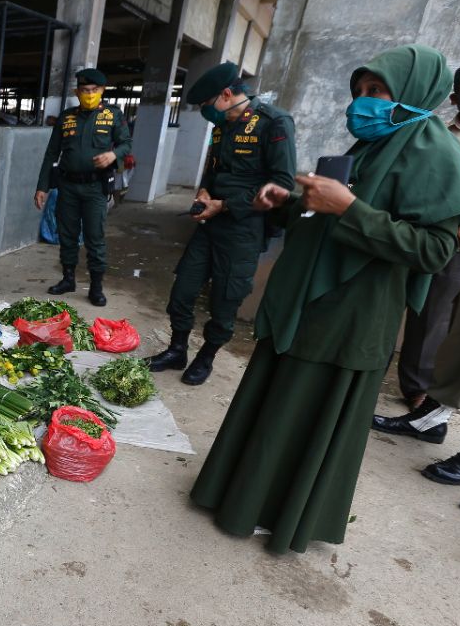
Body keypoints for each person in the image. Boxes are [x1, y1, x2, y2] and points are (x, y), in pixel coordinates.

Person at [189, 44, 460, 554]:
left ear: (413, 92)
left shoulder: (431, 147)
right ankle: (244, 494)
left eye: (376, 91)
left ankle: (275, 510)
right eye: (360, 91)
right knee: (278, 401)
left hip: (353, 312)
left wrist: (346, 209)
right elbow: (345, 205)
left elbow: (434, 248)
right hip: (312, 300)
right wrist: (295, 200)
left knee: (304, 409)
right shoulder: (377, 144)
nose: (361, 103)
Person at [145, 62, 297, 385]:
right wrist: (204, 191)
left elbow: (282, 185)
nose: (205, 113)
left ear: (227, 95)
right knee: (183, 289)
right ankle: (177, 349)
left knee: (226, 300)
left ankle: (207, 356)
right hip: (209, 226)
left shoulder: (273, 123)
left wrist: (225, 205)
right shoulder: (222, 127)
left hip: (244, 230)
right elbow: (213, 170)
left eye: (206, 105)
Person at [389, 58, 460, 411]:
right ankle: (365, 371)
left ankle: (417, 388)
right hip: (415, 225)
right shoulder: (433, 132)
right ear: (456, 97)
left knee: (434, 313)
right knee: (388, 296)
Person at [35, 68, 131, 306]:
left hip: (95, 188)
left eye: (94, 90)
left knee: (94, 237)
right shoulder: (67, 117)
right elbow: (51, 153)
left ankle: (96, 287)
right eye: (84, 90)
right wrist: (42, 187)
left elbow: (126, 143)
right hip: (67, 186)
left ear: (102, 90)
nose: (89, 94)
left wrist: (113, 155)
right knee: (66, 235)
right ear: (77, 92)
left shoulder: (112, 115)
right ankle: (68, 279)